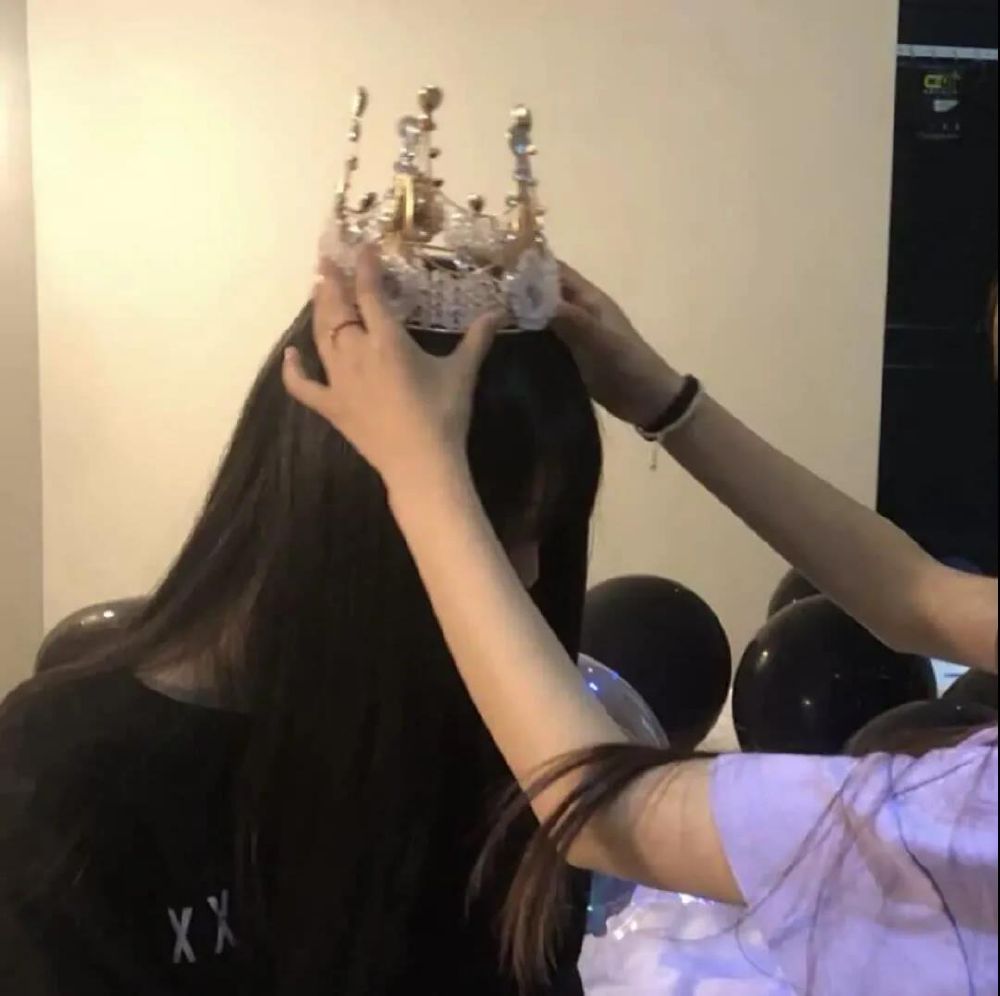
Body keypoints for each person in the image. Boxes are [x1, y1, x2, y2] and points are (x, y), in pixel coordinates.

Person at [284, 248, 998, 995]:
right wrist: (667, 403)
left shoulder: (966, 819)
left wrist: (421, 474)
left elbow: (605, 810)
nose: (532, 571)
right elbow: (917, 595)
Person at [0, 281, 601, 995]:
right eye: (500, 531)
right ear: (355, 513)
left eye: (548, 532)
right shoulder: (67, 774)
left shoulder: (486, 740)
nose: (531, 575)